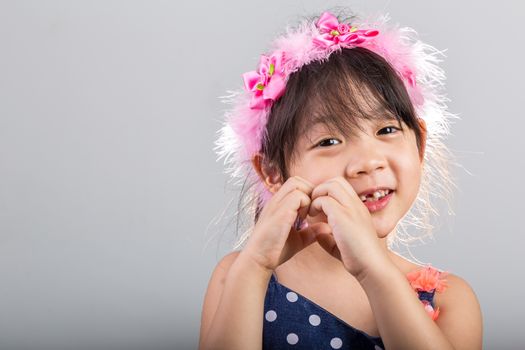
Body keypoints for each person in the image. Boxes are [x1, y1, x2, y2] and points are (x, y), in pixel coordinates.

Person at [200, 9, 483, 350]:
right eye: (328, 141)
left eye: (387, 129)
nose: (368, 162)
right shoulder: (242, 277)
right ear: (273, 173)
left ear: (420, 145)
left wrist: (374, 272)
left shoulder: (446, 299)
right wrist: (255, 267)